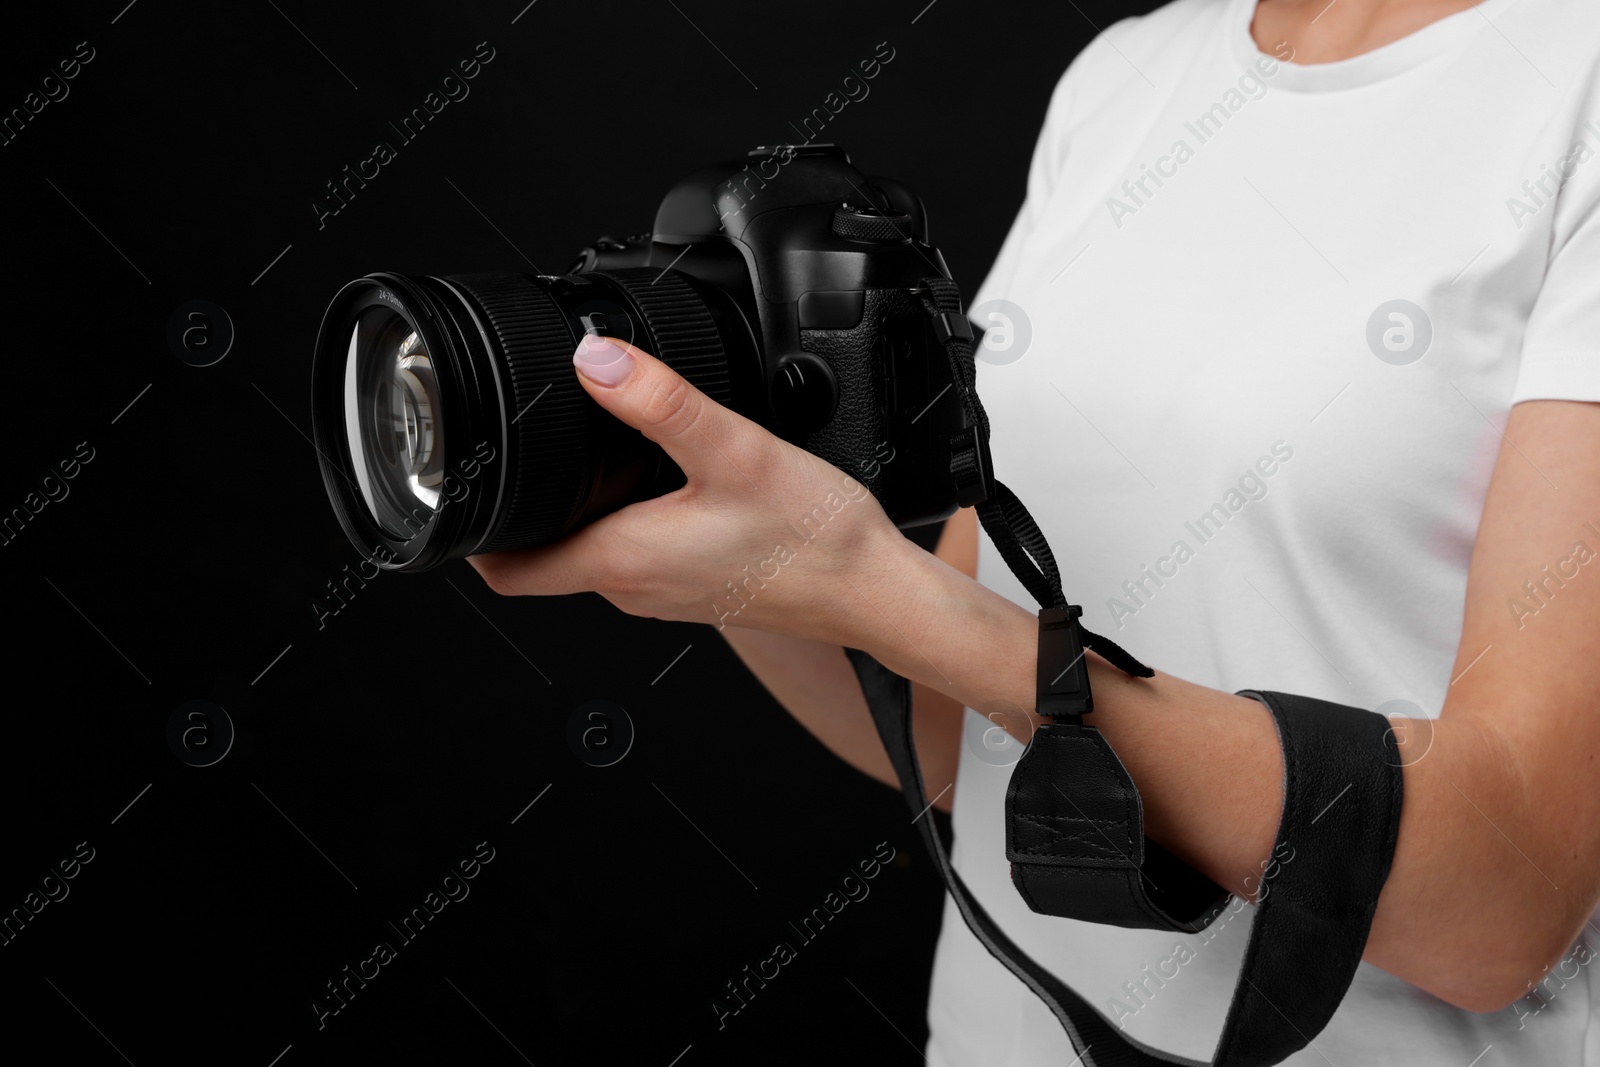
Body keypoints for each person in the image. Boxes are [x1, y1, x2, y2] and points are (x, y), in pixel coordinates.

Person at [467, 0, 1600, 1061]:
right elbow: (975, 740)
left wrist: (878, 588)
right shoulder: (1129, 76)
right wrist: (709, 537)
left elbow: (1501, 907)